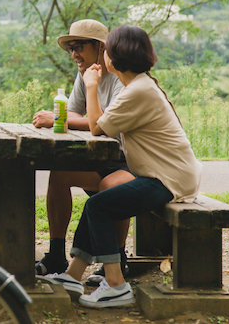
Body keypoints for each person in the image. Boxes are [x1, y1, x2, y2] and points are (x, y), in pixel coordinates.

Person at [42, 25, 202, 308]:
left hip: (168, 179)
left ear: (113, 57)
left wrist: (91, 86)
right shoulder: (137, 87)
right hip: (160, 174)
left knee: (99, 206)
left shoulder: (137, 91)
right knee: (100, 203)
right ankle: (73, 274)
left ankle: (116, 284)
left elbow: (95, 126)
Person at [32, 19, 132, 283]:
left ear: (99, 47)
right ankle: (56, 254)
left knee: (113, 188)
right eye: (70, 48)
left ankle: (118, 260)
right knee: (60, 173)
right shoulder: (86, 72)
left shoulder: (121, 77)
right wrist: (73, 119)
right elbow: (76, 112)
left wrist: (59, 120)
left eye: (79, 46)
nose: (74, 54)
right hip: (102, 156)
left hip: (128, 160)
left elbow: (103, 123)